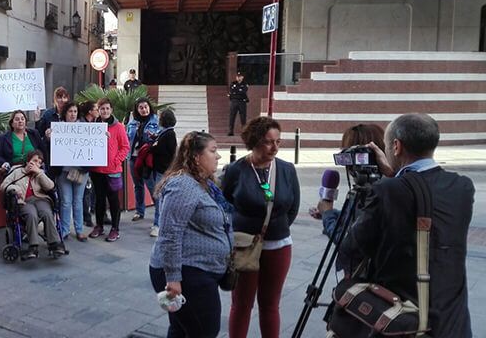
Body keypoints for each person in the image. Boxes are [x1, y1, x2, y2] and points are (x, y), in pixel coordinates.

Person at [338, 113, 475, 337]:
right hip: (452, 323)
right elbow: (422, 203)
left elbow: (352, 247)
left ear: (396, 146)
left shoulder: (386, 191)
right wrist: (394, 177)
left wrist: (387, 182)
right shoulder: (462, 187)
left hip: (401, 323)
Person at [222, 116, 300, 338]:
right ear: (254, 141)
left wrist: (275, 228)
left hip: (279, 245)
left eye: (278, 141)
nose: (275, 147)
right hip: (245, 246)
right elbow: (226, 202)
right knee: (242, 304)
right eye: (268, 142)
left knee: (270, 304)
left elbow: (293, 207)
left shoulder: (287, 169)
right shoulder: (236, 170)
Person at [149, 131, 233, 337]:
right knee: (205, 330)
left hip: (198, 271)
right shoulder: (183, 185)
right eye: (213, 151)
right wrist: (173, 279)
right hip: (187, 274)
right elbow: (170, 233)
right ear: (196, 157)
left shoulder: (204, 183)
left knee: (181, 329)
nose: (218, 156)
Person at [309, 124, 393, 238]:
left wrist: (328, 214)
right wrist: (331, 213)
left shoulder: (373, 194)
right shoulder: (389, 185)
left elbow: (346, 241)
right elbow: (357, 218)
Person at [0, 150, 65, 258]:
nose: (36, 164)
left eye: (39, 162)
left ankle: (55, 244)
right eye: (34, 161)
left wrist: (39, 173)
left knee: (47, 213)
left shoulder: (40, 173)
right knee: (31, 214)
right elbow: (3, 186)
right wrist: (15, 188)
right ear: (28, 161)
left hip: (41, 199)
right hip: (24, 201)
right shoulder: (17, 171)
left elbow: (50, 186)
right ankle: (33, 246)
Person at [88, 98, 130, 242]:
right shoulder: (94, 126)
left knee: (113, 200)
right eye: (102, 109)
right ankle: (99, 225)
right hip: (96, 170)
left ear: (111, 110)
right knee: (99, 199)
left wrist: (116, 161)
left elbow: (125, 147)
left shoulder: (118, 127)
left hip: (112, 170)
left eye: (107, 108)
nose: (105, 111)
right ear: (98, 110)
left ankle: (115, 229)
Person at [56, 102, 88, 241]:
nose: (73, 114)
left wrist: (103, 137)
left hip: (81, 171)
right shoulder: (58, 128)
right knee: (65, 201)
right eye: (70, 111)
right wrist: (49, 137)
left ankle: (79, 230)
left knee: (78, 201)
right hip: (64, 171)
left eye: (75, 111)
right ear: (65, 113)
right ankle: (64, 230)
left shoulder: (86, 128)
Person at [127, 97, 160, 222]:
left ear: (149, 107)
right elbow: (127, 138)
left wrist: (154, 137)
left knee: (152, 186)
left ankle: (159, 213)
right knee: (138, 185)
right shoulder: (132, 122)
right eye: (141, 108)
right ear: (137, 109)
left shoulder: (156, 121)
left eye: (146, 107)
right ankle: (139, 211)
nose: (144, 110)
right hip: (133, 158)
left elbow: (160, 137)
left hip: (147, 158)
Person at [145, 108, 177, 237]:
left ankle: (158, 224)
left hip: (163, 170)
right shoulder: (165, 133)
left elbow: (166, 151)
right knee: (159, 196)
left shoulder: (169, 134)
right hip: (160, 169)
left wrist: (153, 147)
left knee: (159, 197)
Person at [79, 101, 99, 228]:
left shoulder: (96, 123)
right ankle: (86, 217)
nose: (98, 111)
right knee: (86, 191)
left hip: (94, 162)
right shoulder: (81, 124)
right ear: (90, 111)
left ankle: (95, 213)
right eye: (96, 109)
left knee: (94, 190)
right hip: (83, 164)